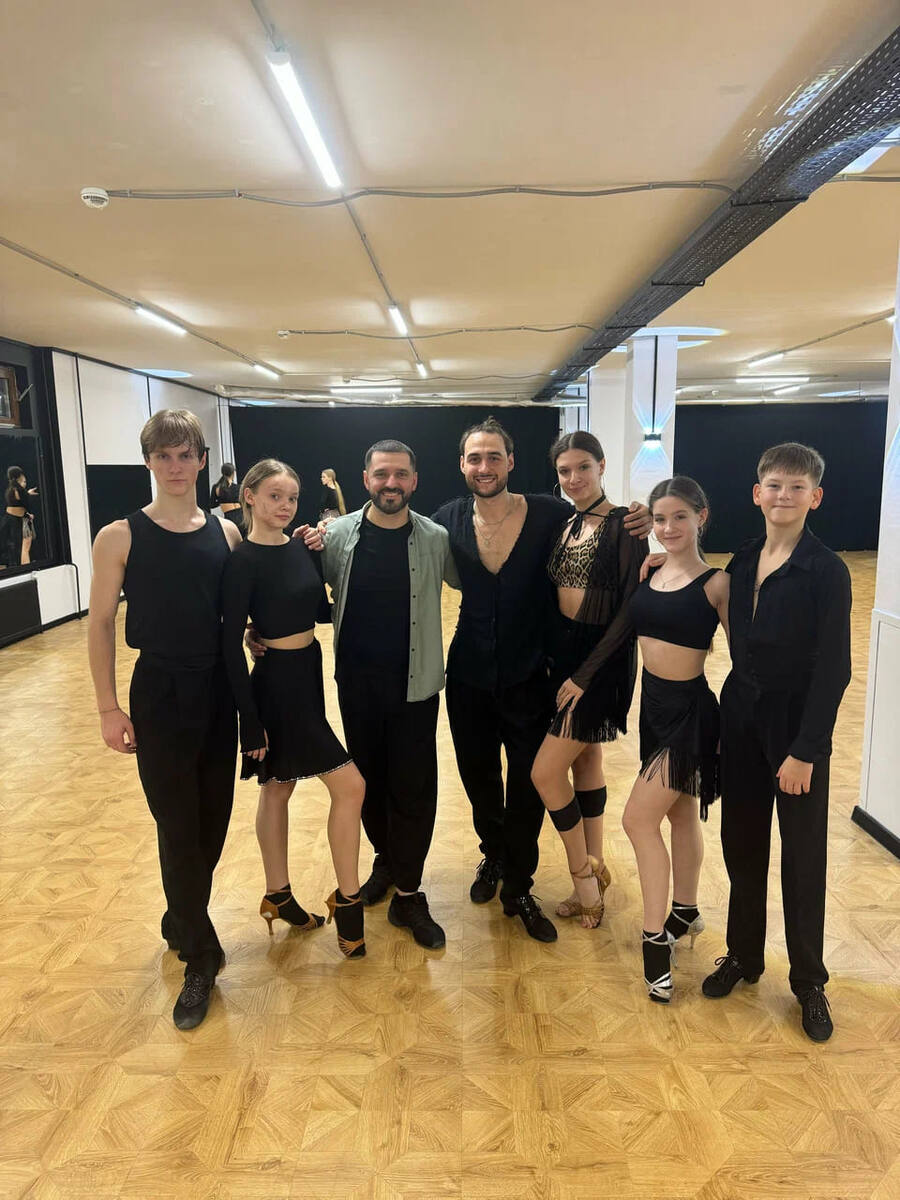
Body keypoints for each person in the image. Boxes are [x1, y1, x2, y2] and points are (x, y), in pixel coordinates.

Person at [433, 418, 651, 943]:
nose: (484, 466)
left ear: (511, 462)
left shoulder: (550, 513)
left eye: (494, 456)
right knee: (478, 775)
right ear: (462, 465)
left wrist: (644, 519)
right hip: (468, 672)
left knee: (529, 784)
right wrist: (323, 535)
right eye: (474, 458)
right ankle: (493, 856)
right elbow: (395, 536)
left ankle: (519, 884)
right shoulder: (445, 521)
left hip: (533, 672)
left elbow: (605, 524)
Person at [87, 409, 242, 1031]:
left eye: (185, 455)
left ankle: (181, 917)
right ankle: (199, 957)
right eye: (163, 456)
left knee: (212, 821)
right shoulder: (119, 536)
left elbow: (232, 610)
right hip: (159, 691)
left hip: (219, 688)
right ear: (149, 461)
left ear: (201, 460)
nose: (175, 467)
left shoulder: (226, 532)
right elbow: (100, 623)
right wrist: (108, 707)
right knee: (177, 825)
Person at [272, 440, 455, 949]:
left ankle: (410, 893)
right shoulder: (335, 537)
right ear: (366, 478)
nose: (390, 483)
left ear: (414, 480)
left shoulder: (436, 538)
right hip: (356, 685)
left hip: (416, 685)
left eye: (400, 474)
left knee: (414, 787)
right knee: (367, 783)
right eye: (381, 474)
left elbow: (481, 581)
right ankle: (386, 862)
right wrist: (257, 630)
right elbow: (298, 593)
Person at [700, 443, 851, 1042]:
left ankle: (809, 980)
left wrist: (806, 750)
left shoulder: (827, 570)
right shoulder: (742, 560)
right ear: (757, 494)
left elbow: (834, 669)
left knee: (802, 857)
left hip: (796, 730)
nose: (783, 495)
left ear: (815, 497)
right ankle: (743, 955)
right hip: (741, 719)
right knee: (741, 844)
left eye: (796, 486)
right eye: (774, 485)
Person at [222, 459, 366, 958]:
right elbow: (229, 645)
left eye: (291, 498)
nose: (284, 506)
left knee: (278, 786)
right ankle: (349, 903)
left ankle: (278, 895)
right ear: (249, 497)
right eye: (274, 497)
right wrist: (249, 722)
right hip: (276, 686)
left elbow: (318, 611)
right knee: (351, 785)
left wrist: (329, 558)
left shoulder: (301, 547)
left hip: (307, 675)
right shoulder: (242, 561)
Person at [531, 431, 647, 931]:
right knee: (586, 758)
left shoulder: (625, 525)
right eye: (564, 471)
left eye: (583, 467)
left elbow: (630, 610)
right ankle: (596, 866)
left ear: (601, 466)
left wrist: (584, 674)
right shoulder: (565, 523)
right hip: (563, 656)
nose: (574, 478)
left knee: (545, 773)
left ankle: (582, 879)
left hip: (600, 662)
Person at [623, 477, 728, 1002]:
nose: (668, 528)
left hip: (690, 714)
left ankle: (654, 942)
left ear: (701, 517)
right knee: (680, 813)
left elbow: (746, 659)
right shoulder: (653, 568)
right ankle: (685, 910)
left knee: (637, 819)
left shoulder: (718, 583)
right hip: (654, 710)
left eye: (680, 517)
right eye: (661, 519)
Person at [3, 465, 38, 566]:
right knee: (25, 547)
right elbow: (23, 503)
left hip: (14, 520)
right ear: (19, 476)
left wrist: (27, 493)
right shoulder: (18, 490)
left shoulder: (10, 490)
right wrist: (28, 515)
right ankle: (26, 566)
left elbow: (16, 504)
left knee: (21, 547)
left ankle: (24, 565)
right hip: (20, 522)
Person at [209, 463, 244, 532]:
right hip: (241, 517)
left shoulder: (216, 488)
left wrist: (221, 501)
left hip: (229, 517)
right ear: (233, 473)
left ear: (222, 473)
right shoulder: (239, 487)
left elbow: (212, 504)